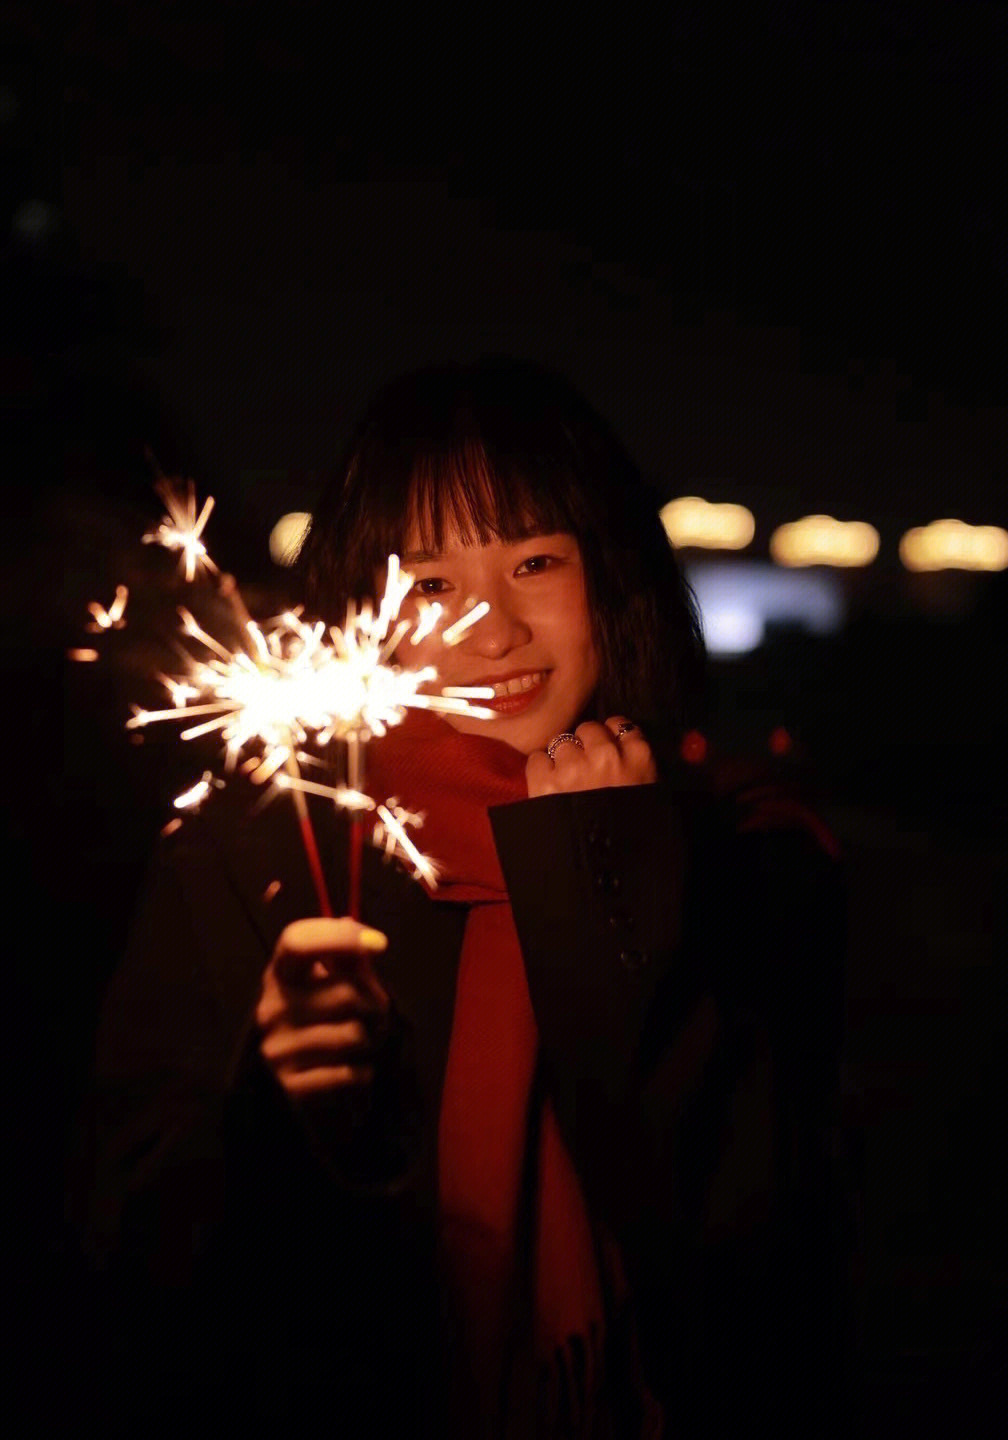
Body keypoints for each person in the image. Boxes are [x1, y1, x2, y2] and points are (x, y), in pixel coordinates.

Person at [66, 356, 852, 1438]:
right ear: (366, 610)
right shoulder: (259, 860)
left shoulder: (748, 853)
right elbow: (136, 1272)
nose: (490, 631)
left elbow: (758, 1271)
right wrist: (284, 1115)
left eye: (536, 560)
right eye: (430, 583)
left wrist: (605, 880)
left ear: (611, 574)